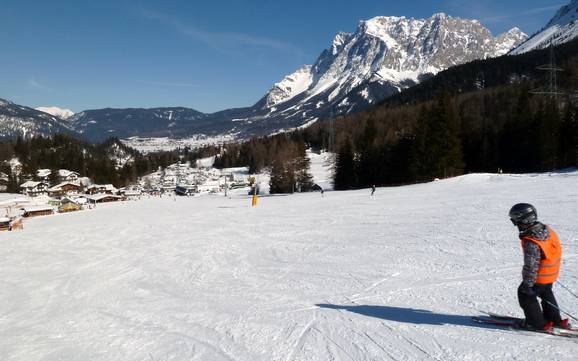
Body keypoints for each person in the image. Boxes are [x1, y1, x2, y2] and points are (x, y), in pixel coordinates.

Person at [509, 203, 570, 331]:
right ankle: (555, 320)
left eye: (516, 221)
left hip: (540, 276)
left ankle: (536, 324)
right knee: (546, 292)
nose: (516, 225)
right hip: (550, 274)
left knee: (525, 295)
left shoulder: (532, 240)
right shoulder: (546, 230)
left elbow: (531, 265)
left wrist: (527, 284)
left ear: (525, 220)